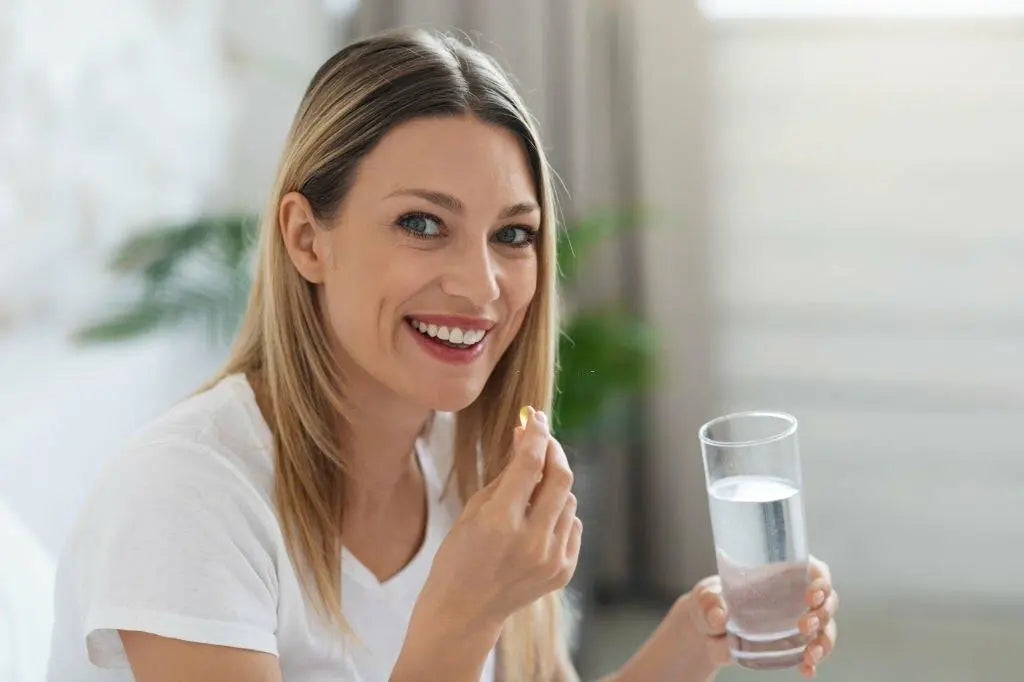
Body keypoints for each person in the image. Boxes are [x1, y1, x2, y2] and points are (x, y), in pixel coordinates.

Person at [47, 28, 838, 682]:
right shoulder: (190, 497)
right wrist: (462, 620)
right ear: (305, 238)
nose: (481, 285)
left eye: (513, 235)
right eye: (423, 224)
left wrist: (689, 644)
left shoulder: (466, 462)